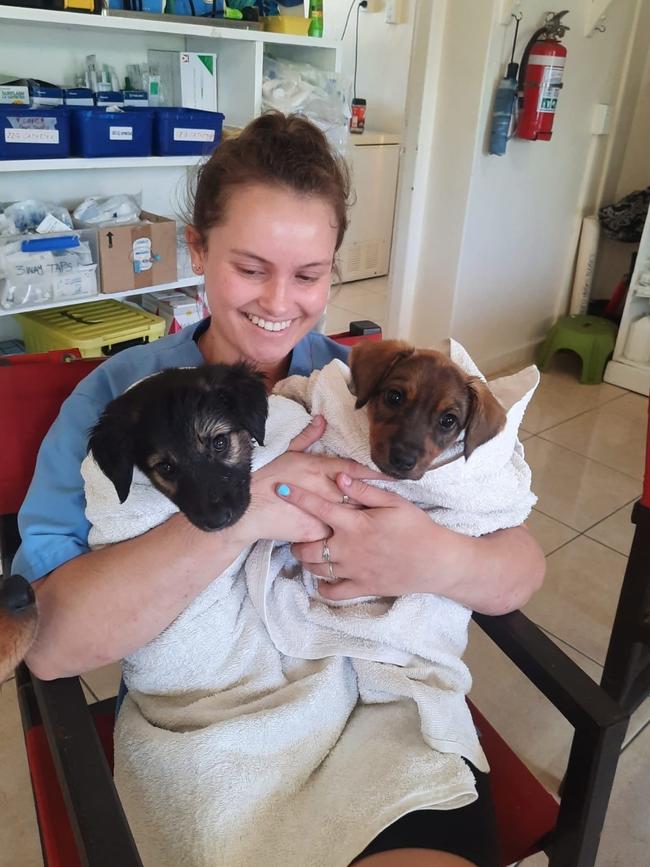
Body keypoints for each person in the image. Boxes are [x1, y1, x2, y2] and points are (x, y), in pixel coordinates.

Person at [15, 112, 545, 867]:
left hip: (373, 706)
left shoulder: (362, 387)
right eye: (251, 266)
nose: (280, 301)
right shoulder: (120, 403)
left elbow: (521, 561)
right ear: (197, 248)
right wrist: (239, 515)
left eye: (309, 273)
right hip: (214, 733)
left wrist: (427, 557)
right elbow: (54, 645)